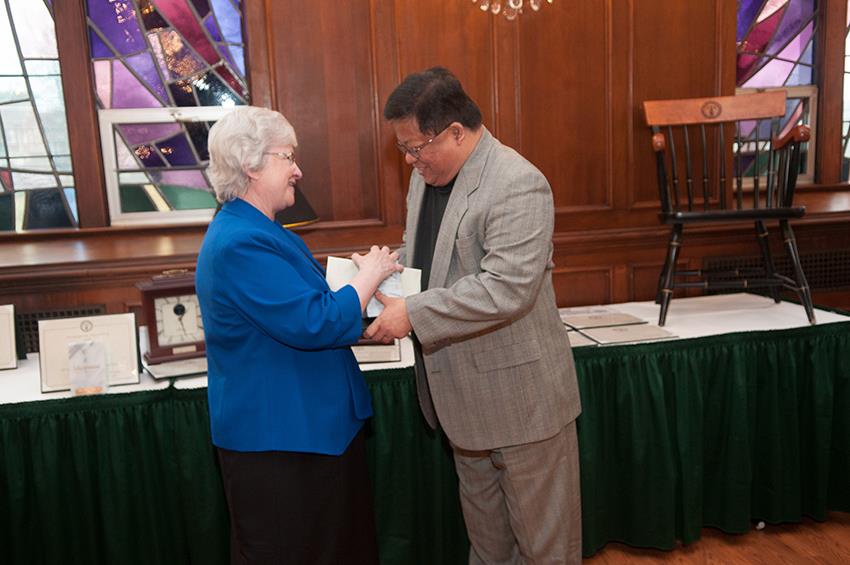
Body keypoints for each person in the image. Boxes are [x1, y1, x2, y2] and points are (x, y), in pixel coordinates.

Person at [367, 67, 582, 564]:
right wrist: (380, 274)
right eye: (403, 150)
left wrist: (413, 313)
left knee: (544, 548)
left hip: (523, 403)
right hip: (462, 402)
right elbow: (429, 258)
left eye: (415, 148)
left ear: (456, 132)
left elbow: (507, 288)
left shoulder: (517, 183)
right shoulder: (427, 180)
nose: (409, 161)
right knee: (488, 549)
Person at [195, 106, 401, 564]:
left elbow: (305, 312)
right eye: (287, 157)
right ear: (251, 165)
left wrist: (369, 321)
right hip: (282, 442)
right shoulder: (240, 242)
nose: (298, 170)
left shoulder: (264, 230)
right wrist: (369, 275)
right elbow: (314, 323)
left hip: (307, 431)